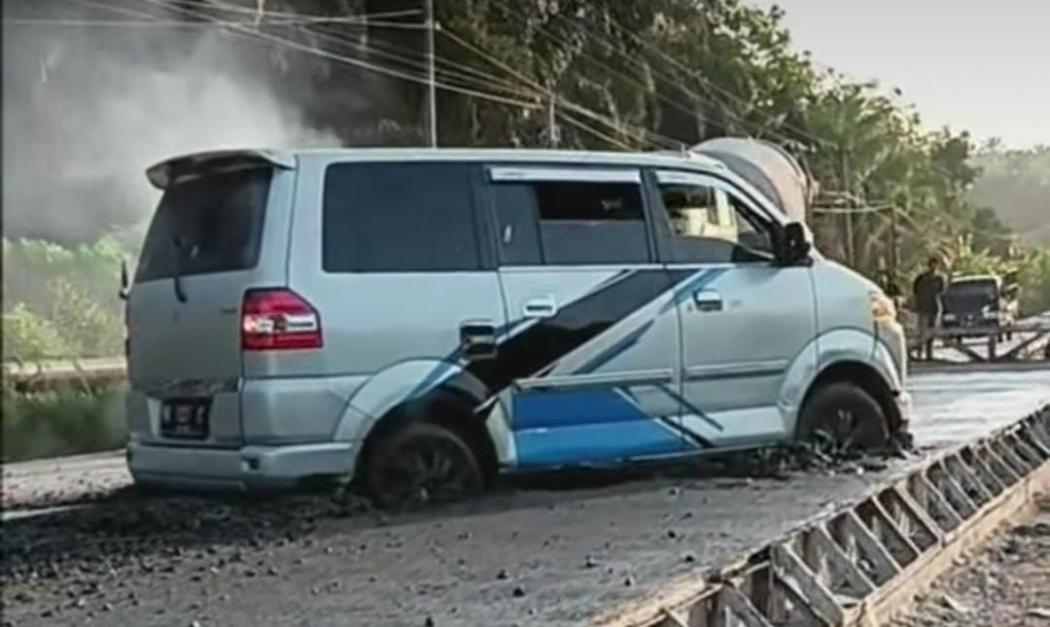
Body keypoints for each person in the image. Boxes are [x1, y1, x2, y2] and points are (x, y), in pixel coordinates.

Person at [912, 256, 947, 361]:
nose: (934, 267)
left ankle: (929, 354)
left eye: (935, 265)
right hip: (923, 307)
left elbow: (942, 292)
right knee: (922, 332)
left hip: (933, 307)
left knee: (931, 331)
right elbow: (915, 291)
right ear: (929, 265)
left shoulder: (939, 279)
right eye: (932, 265)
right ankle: (918, 353)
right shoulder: (921, 278)